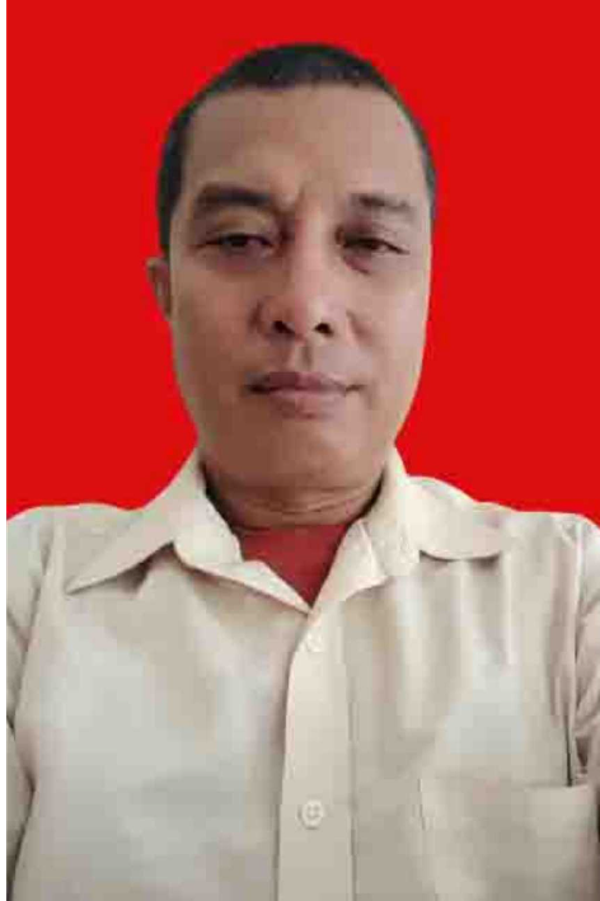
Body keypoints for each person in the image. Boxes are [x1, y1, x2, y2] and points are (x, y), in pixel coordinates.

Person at [6, 42, 599, 901]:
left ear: (430, 287)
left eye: (370, 242)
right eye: (242, 239)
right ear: (165, 287)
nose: (305, 304)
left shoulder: (572, 594)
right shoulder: (29, 592)